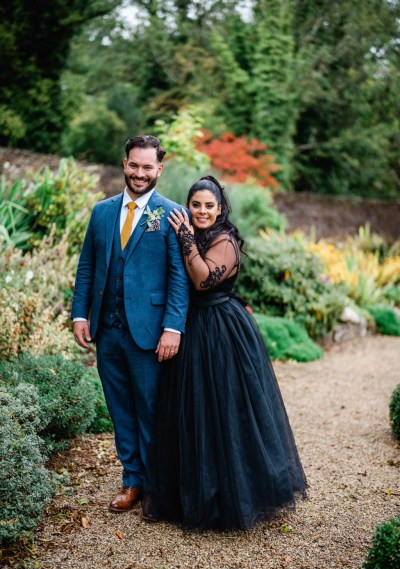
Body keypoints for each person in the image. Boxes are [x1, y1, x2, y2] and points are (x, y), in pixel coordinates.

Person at [142, 175, 307, 530]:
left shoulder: (224, 240)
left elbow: (202, 280)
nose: (201, 211)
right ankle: (186, 493)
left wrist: (185, 235)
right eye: (196, 204)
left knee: (224, 411)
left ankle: (229, 496)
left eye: (208, 206)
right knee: (188, 411)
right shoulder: (189, 230)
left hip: (220, 329)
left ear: (220, 209)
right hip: (187, 327)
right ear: (189, 205)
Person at [71, 135, 189, 512]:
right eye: (134, 165)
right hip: (107, 330)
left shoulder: (170, 214)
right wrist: (79, 314)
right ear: (124, 164)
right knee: (119, 407)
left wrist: (173, 327)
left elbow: (178, 276)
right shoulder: (101, 212)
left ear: (159, 169)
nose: (140, 173)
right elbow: (87, 265)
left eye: (147, 167)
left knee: (151, 408)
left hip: (150, 332)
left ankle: (157, 485)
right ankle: (132, 480)